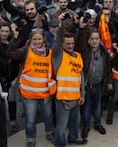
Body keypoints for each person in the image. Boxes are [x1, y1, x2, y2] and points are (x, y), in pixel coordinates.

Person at [7, 28, 55, 147]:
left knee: (48, 116)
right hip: (28, 94)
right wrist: (15, 38)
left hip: (45, 92)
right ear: (31, 40)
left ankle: (50, 133)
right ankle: (30, 139)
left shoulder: (50, 52)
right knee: (31, 119)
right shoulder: (26, 51)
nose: (37, 41)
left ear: (44, 39)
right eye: (35, 39)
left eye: (39, 39)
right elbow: (10, 53)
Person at [52, 17, 87, 146]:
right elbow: (56, 43)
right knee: (61, 127)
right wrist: (60, 27)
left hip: (76, 98)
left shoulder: (78, 56)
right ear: (62, 44)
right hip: (63, 100)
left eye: (72, 43)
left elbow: (81, 76)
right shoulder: (58, 55)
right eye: (67, 44)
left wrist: (82, 94)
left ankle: (74, 137)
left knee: (75, 122)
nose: (70, 46)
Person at [76, 27, 111, 140]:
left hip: (99, 84)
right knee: (86, 107)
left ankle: (97, 124)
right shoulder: (85, 50)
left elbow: (108, 68)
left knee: (97, 106)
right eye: (92, 39)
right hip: (87, 85)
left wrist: (109, 81)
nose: (94, 41)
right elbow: (80, 39)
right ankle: (86, 127)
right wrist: (81, 28)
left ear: (100, 39)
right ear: (88, 40)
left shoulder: (103, 51)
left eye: (96, 39)